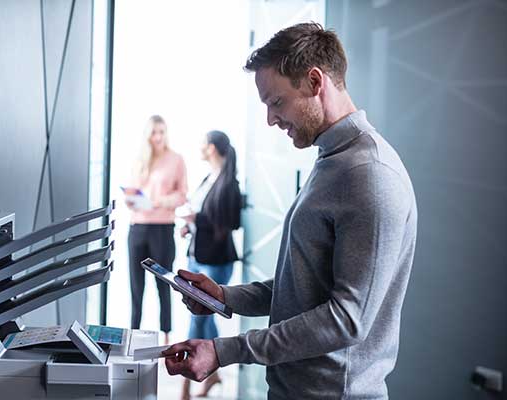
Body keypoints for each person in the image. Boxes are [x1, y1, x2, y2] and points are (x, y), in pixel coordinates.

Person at [163, 22, 418, 400]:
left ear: (315, 82)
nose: (270, 119)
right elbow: (301, 288)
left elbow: (347, 320)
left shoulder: (370, 175)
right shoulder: (332, 161)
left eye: (276, 102)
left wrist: (225, 350)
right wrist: (223, 295)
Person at [178, 130, 241, 399]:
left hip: (215, 261)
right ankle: (213, 373)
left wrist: (198, 219)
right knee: (205, 317)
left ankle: (185, 383)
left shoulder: (229, 184)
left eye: (204, 144)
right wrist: (190, 225)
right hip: (199, 255)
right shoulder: (208, 177)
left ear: (213, 148)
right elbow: (205, 216)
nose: (201, 148)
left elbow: (230, 222)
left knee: (198, 318)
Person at [126, 115, 187, 345]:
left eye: (162, 131)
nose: (159, 137)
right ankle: (132, 338)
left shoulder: (176, 160)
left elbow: (182, 195)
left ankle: (166, 339)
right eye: (154, 132)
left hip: (162, 229)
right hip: (137, 228)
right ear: (148, 135)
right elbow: (133, 192)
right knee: (136, 286)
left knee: (164, 284)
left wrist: (160, 201)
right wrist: (132, 200)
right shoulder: (141, 160)